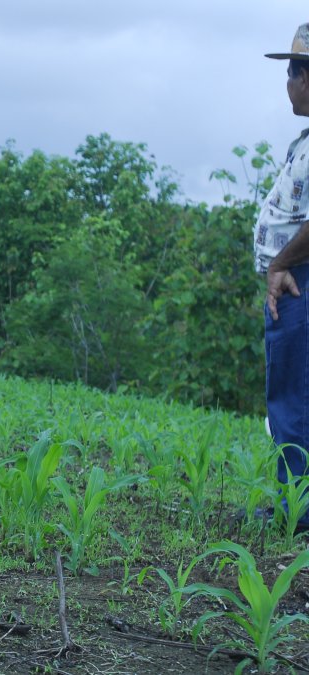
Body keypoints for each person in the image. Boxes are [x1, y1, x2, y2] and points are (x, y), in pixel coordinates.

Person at [255, 24, 309, 533]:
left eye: (293, 71)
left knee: (292, 398)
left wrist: (279, 264)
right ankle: (295, 504)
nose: (287, 83)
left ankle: (296, 512)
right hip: (297, 278)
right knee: (294, 395)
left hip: (299, 284)